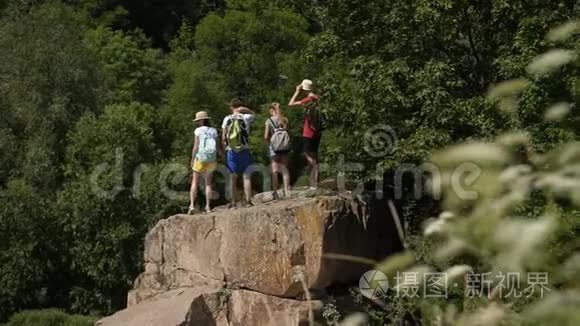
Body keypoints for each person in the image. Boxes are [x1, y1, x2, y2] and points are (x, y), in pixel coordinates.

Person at [288, 79, 322, 189]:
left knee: (309, 156)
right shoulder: (317, 98)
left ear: (304, 89)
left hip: (308, 131)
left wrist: (297, 91)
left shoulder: (307, 100)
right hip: (318, 130)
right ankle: (316, 182)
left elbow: (291, 103)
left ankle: (314, 183)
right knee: (315, 155)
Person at [222, 98, 255, 208]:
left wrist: (224, 151)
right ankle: (248, 201)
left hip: (231, 150)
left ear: (231, 107)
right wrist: (246, 109)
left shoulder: (227, 119)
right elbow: (254, 114)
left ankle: (233, 202)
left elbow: (223, 137)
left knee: (233, 177)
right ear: (241, 106)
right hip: (244, 149)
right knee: (246, 175)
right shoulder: (246, 117)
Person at [189, 111, 219, 214]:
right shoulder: (214, 131)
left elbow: (196, 146)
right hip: (211, 159)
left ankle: (192, 205)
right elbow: (217, 146)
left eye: (198, 120)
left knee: (195, 182)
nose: (197, 122)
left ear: (202, 120)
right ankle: (208, 207)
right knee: (208, 184)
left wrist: (192, 159)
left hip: (200, 158)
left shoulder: (198, 131)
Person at [264, 102, 291, 199]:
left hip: (274, 147)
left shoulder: (269, 121)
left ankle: (275, 192)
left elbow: (266, 136)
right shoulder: (284, 120)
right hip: (284, 146)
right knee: (284, 169)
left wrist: (270, 143)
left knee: (275, 170)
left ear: (272, 110)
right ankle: (287, 191)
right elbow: (288, 132)